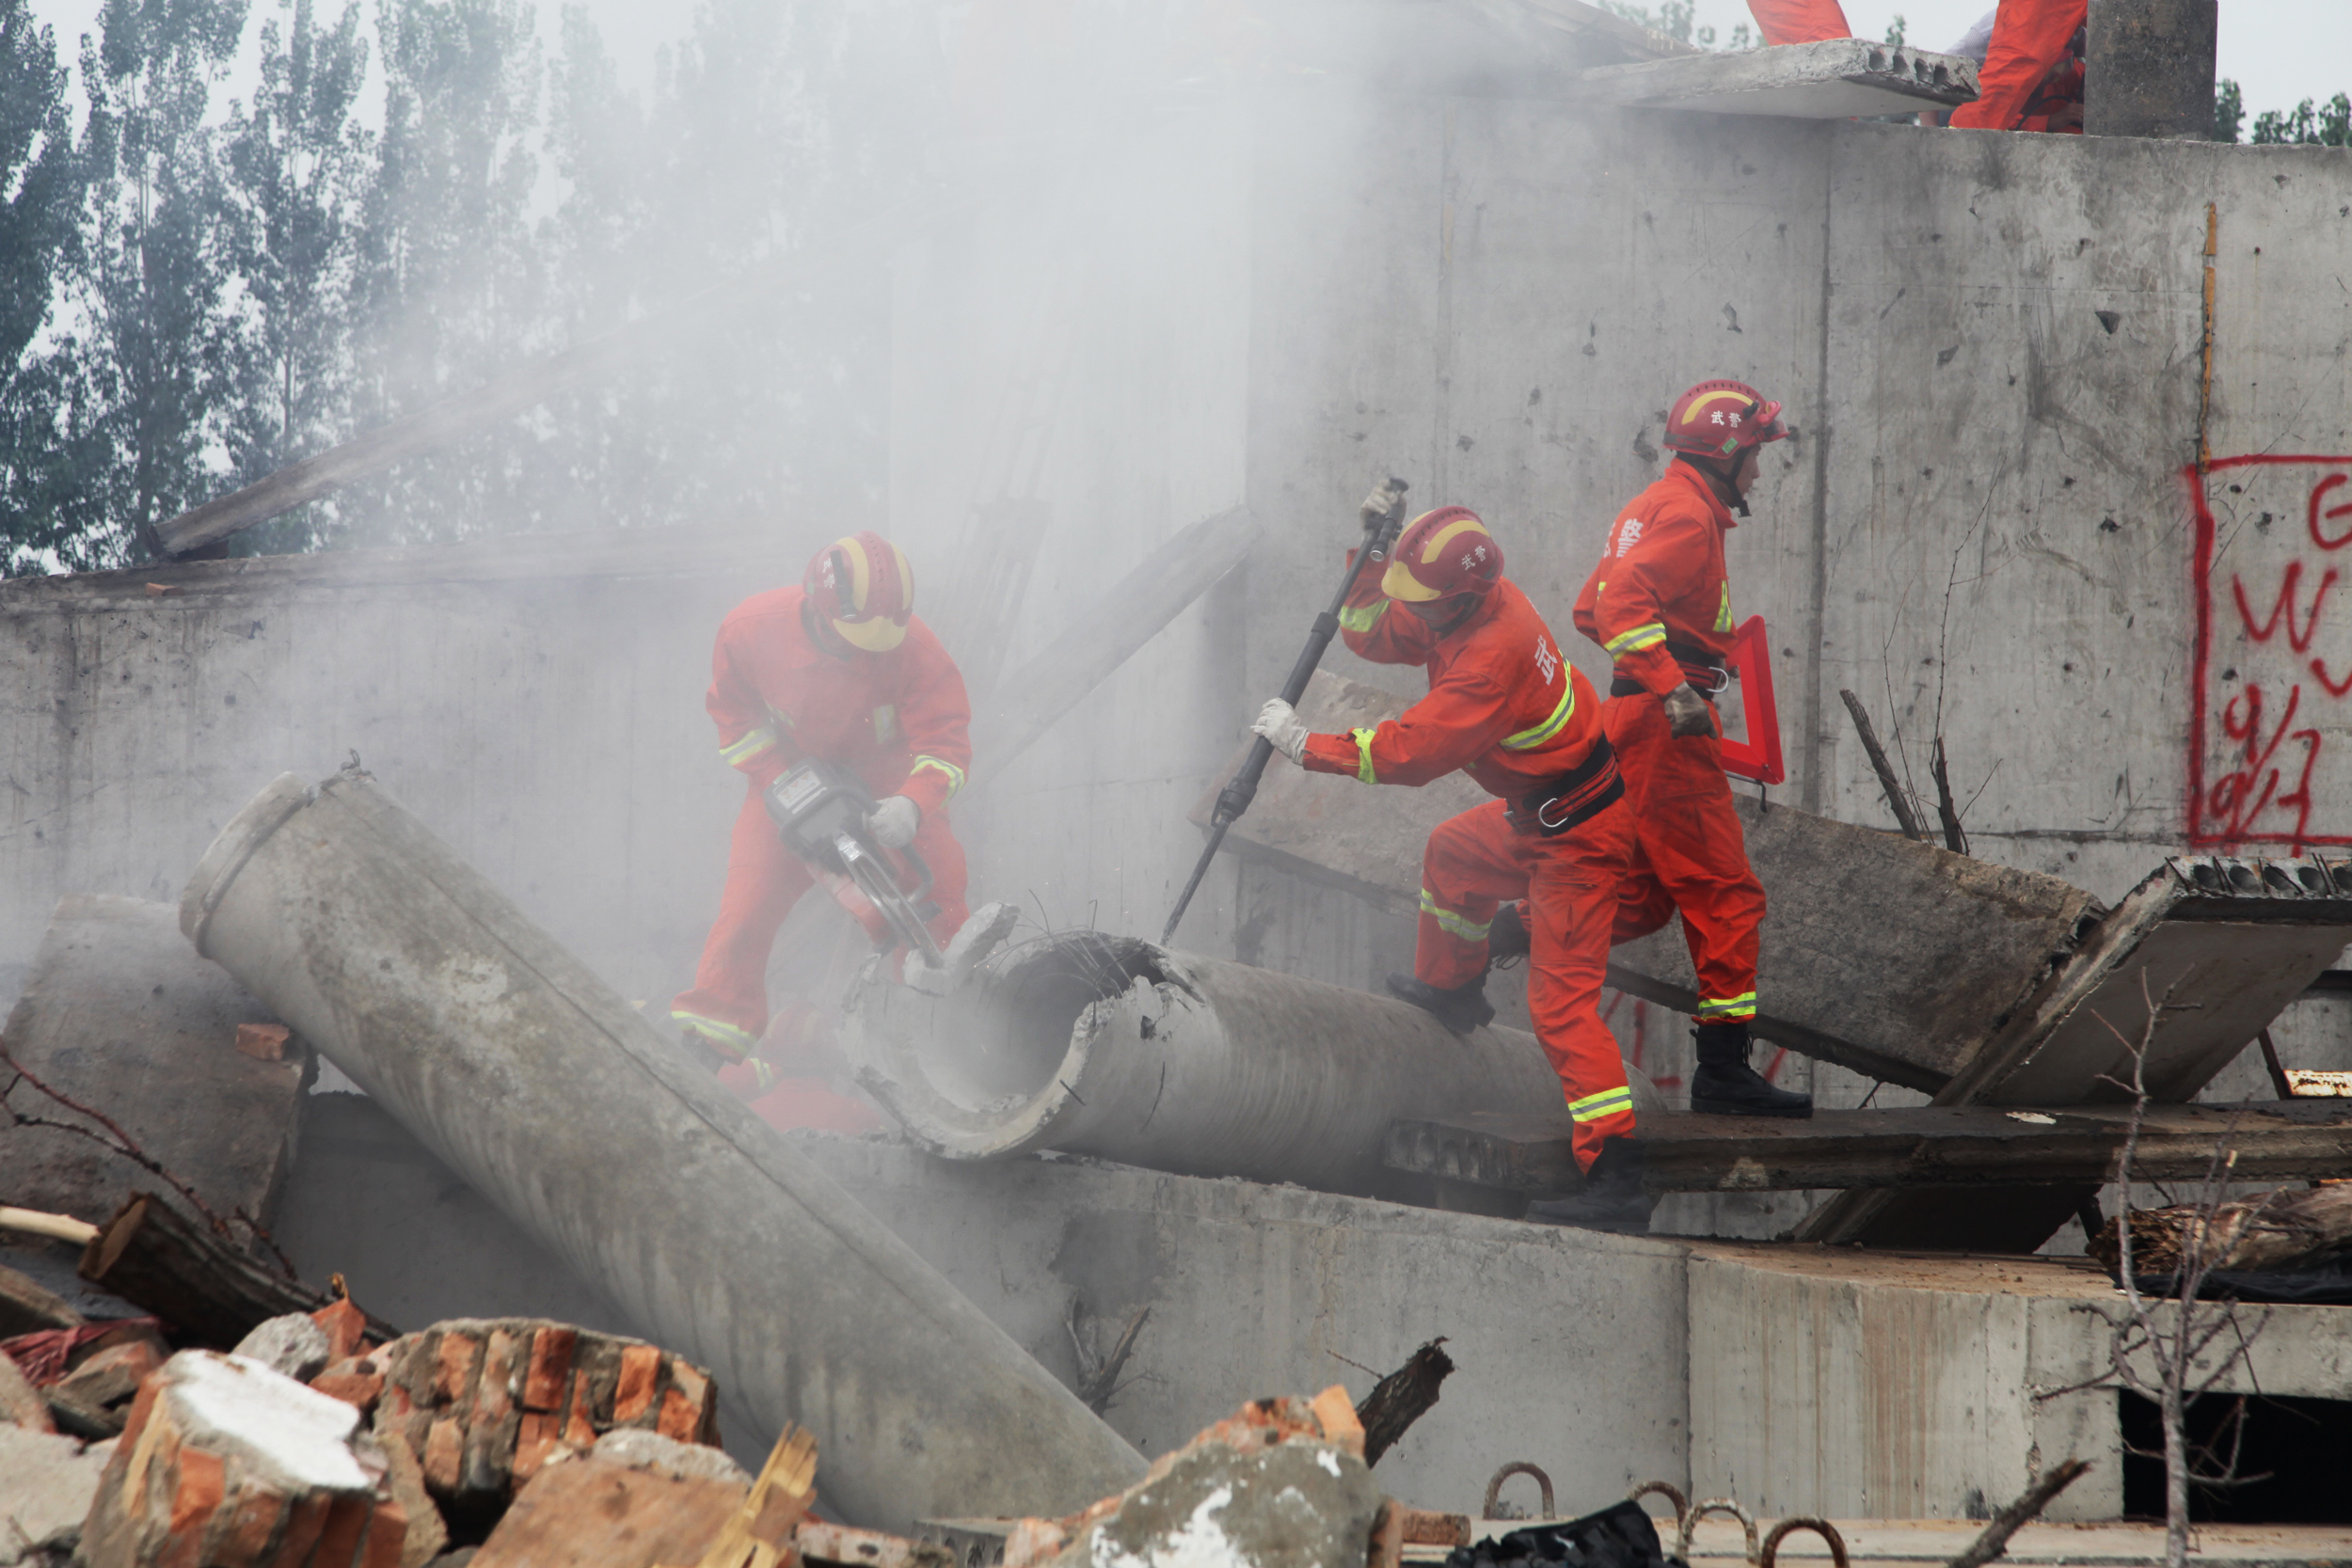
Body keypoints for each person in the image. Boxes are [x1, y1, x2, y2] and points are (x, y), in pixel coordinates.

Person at [1251, 501, 1650, 1227]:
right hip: (1541, 814)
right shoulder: (1460, 608)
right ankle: (1454, 990)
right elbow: (1375, 629)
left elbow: (1411, 752)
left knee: (1561, 1007)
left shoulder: (1492, 657)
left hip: (1580, 839)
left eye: (1423, 600)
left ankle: (1617, 1175)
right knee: (1453, 855)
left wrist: (1308, 746)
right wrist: (1372, 557)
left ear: (1460, 599)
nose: (1415, 612)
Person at [1573, 379, 1813, 1120]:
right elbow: (1618, 606)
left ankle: (1519, 927)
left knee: (1641, 896)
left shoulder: (1654, 505)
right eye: (1755, 454)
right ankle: (1723, 1071)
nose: (1759, 471)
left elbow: (1591, 607)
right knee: (1727, 894)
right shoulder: (1687, 515)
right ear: (1725, 451)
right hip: (1668, 725)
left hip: (1633, 715)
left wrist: (1646, 678)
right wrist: (1672, 684)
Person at [670, 531, 974, 1071]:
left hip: (890, 785)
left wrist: (912, 804)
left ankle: (945, 1036)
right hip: (789, 780)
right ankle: (707, 1048)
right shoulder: (748, 631)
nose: (870, 652)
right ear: (818, 608)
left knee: (939, 895)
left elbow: (945, 747)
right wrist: (783, 783)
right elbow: (735, 720)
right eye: (856, 638)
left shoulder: (916, 650)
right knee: (747, 907)